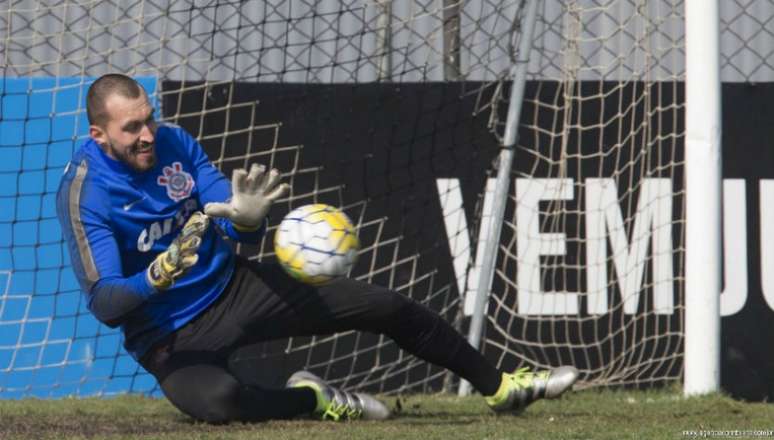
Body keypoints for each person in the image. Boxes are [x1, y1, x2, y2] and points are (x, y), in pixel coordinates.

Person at [56, 73, 579, 424]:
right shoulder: (85, 192)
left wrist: (248, 220)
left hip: (235, 288)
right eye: (133, 129)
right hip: (167, 335)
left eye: (149, 118)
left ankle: (501, 386)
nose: (148, 133)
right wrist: (157, 276)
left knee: (385, 305)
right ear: (100, 136)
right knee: (220, 402)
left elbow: (233, 220)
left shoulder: (175, 142)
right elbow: (105, 303)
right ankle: (316, 398)